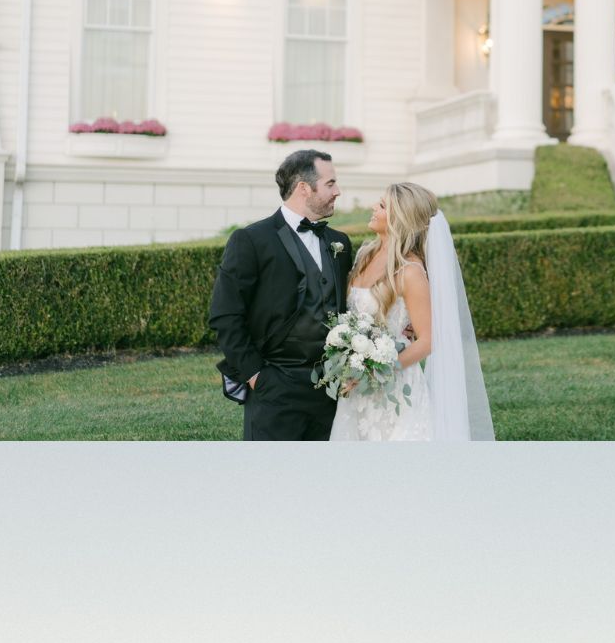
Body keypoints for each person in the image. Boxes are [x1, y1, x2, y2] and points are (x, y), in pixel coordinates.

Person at [329, 181, 494, 442]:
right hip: (356, 386)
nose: (374, 207)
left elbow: (427, 341)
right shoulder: (365, 254)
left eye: (382, 205)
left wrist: (377, 370)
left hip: (394, 387)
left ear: (399, 219)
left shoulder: (410, 271)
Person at [209, 149, 354, 441]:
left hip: (330, 389)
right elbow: (225, 315)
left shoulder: (339, 243)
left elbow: (351, 304)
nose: (337, 191)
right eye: (330, 183)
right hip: (275, 386)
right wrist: (256, 377)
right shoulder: (251, 240)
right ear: (304, 187)